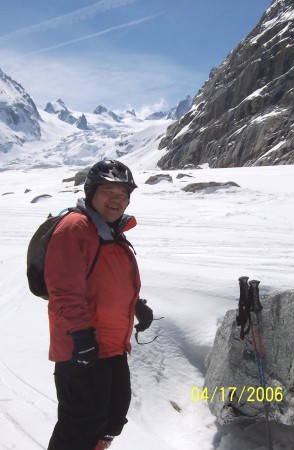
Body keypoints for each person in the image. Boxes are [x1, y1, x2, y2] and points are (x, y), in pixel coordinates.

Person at [45, 160, 154, 450]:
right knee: (80, 425)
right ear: (91, 192)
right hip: (82, 348)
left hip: (112, 345)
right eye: (108, 192)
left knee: (111, 418)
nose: (116, 200)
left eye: (123, 195)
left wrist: (136, 305)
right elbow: (65, 290)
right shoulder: (75, 228)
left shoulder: (109, 230)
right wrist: (80, 337)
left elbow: (105, 282)